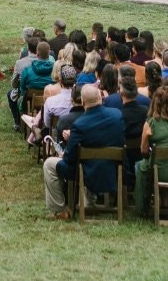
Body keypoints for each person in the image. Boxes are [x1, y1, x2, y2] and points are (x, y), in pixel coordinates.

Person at [42, 83, 124, 219]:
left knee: (49, 164)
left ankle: (59, 209)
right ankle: (89, 202)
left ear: (83, 102)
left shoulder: (80, 125)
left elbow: (70, 158)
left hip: (87, 172)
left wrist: (64, 152)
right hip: (113, 168)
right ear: (100, 97)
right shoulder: (117, 115)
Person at [133, 83, 168, 215]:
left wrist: (146, 139)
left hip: (162, 171)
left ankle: (142, 207)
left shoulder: (151, 122)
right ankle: (164, 203)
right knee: (163, 163)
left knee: (140, 166)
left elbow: (144, 152)